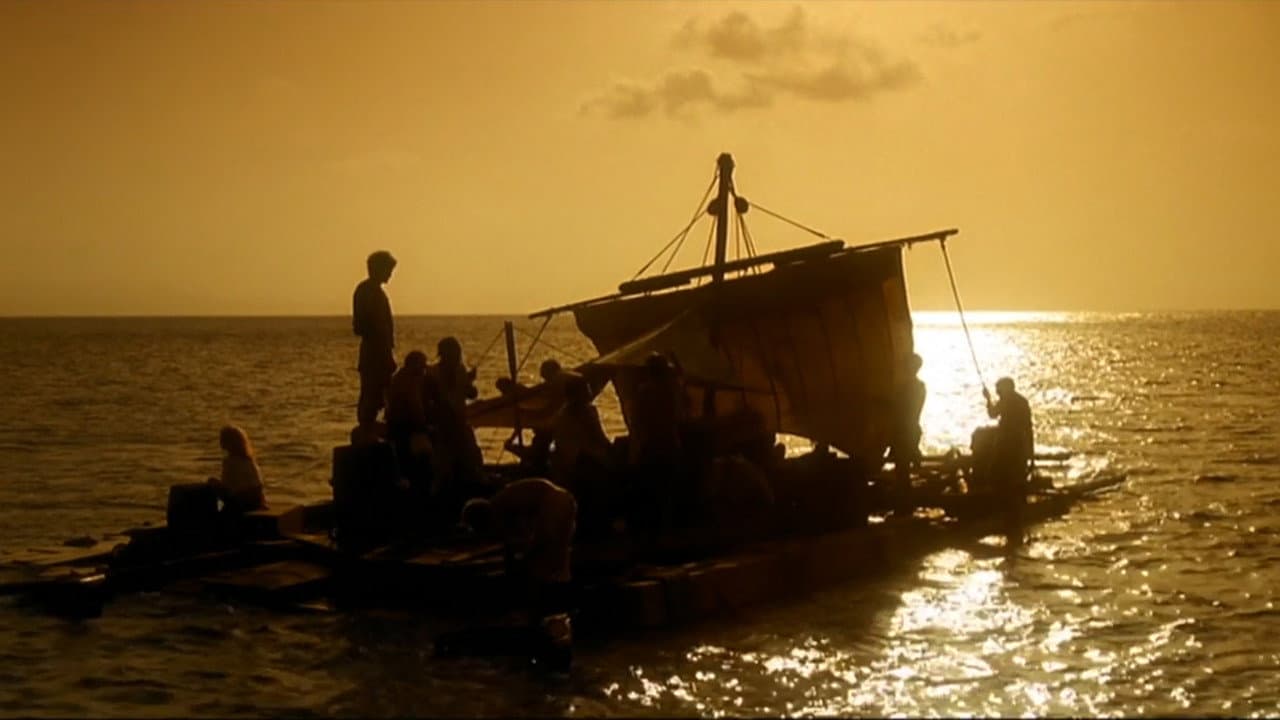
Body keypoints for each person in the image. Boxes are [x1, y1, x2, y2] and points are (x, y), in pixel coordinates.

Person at [460, 478, 577, 670]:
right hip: (563, 500)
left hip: (554, 504)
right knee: (555, 561)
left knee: (546, 560)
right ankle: (552, 615)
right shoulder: (502, 504)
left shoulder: (497, 509)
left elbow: (523, 539)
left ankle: (549, 619)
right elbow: (512, 543)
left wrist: (523, 562)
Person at [627, 353, 686, 531]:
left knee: (652, 487)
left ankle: (653, 525)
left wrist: (636, 448)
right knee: (668, 485)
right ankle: (668, 524)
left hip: (650, 445)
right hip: (668, 442)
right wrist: (675, 358)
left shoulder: (644, 392)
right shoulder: (670, 388)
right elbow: (680, 377)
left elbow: (637, 422)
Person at [984, 376, 1034, 543]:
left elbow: (992, 414)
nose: (998, 393)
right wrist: (1030, 453)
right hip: (1018, 445)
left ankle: (1007, 511)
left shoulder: (1007, 401)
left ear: (1006, 388)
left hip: (1007, 444)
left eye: (999, 390)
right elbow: (1029, 427)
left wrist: (988, 399)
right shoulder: (1021, 401)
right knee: (1013, 477)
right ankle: (1013, 512)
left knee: (996, 474)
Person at [353, 250, 397, 428]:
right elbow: (368, 327)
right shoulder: (368, 292)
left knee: (380, 394)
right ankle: (367, 428)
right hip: (375, 353)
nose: (390, 275)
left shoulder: (372, 292)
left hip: (378, 351)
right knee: (372, 394)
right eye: (388, 270)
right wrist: (386, 353)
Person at [502, 359, 565, 476]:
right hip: (545, 437)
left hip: (546, 436)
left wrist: (511, 445)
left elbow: (542, 411)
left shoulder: (554, 391)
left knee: (537, 452)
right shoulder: (546, 390)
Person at [385, 350, 433, 488]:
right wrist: (424, 425)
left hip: (397, 426)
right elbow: (415, 406)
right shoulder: (408, 381)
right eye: (422, 366)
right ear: (414, 364)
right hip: (404, 428)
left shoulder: (399, 377)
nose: (424, 370)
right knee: (414, 459)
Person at [888, 353, 927, 514]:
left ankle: (904, 503)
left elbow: (899, 407)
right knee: (903, 466)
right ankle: (905, 501)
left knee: (902, 468)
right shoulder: (919, 386)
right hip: (910, 429)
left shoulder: (908, 387)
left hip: (905, 430)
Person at [207, 425, 266, 514]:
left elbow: (227, 486)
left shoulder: (230, 461)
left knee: (211, 482)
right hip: (256, 500)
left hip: (242, 502)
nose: (220, 442)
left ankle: (217, 512)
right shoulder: (249, 459)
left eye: (222, 439)